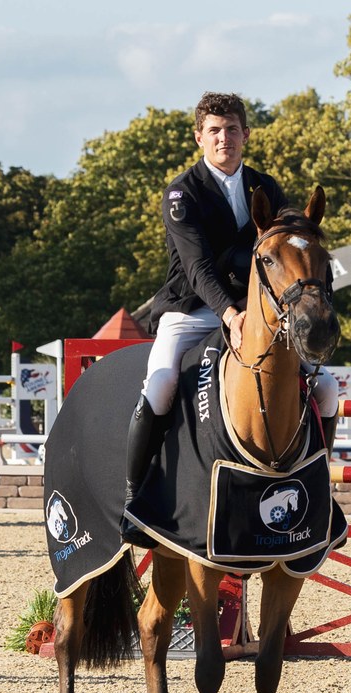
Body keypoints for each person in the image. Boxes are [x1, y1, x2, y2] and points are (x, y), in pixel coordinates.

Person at [121, 92, 338, 541]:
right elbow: (198, 266)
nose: (225, 139)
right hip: (194, 311)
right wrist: (229, 312)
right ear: (200, 137)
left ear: (246, 135)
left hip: (261, 317)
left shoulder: (266, 186)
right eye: (215, 131)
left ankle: (318, 488)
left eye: (232, 130)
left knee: (329, 389)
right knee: (160, 386)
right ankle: (134, 499)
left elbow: (284, 248)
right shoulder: (183, 193)